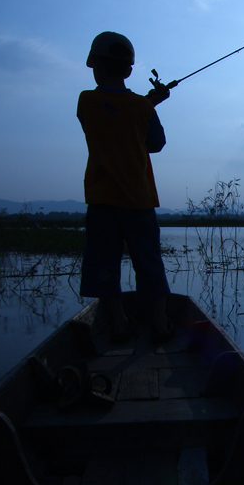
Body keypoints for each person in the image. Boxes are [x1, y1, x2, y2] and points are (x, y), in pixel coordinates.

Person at [77, 30, 172, 341]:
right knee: (149, 263)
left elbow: (111, 111)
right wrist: (151, 105)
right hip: (140, 200)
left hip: (102, 199)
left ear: (94, 64)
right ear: (129, 70)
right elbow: (156, 143)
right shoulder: (141, 107)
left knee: (103, 264)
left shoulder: (86, 101)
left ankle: (118, 322)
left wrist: (146, 104)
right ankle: (159, 323)